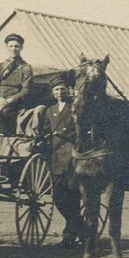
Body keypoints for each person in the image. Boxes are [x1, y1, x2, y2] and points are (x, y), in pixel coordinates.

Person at [45, 73, 84, 248]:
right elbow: (45, 129)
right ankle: (81, 229)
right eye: (56, 90)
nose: (60, 92)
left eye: (62, 89)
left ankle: (70, 235)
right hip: (55, 155)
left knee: (72, 197)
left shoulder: (74, 107)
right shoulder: (50, 110)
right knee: (59, 198)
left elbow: (79, 130)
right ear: (53, 93)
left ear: (67, 90)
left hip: (70, 154)